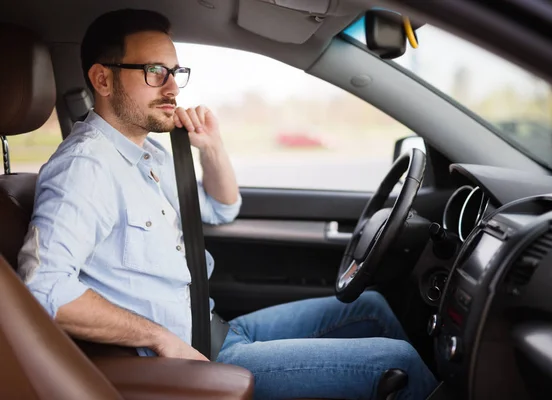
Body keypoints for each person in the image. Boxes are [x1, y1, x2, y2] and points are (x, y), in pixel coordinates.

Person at [17, 9, 437, 400]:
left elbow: (221, 209)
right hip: (189, 361)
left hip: (216, 330)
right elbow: (43, 290)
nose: (172, 87)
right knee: (396, 362)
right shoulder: (85, 168)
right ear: (103, 80)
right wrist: (158, 337)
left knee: (371, 306)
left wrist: (211, 146)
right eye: (154, 71)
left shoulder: (145, 155)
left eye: (175, 72)